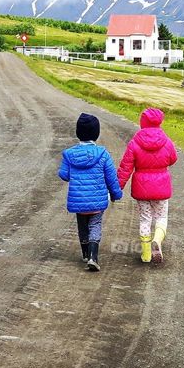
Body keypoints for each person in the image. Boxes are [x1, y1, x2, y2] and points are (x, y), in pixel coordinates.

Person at [59, 113, 122, 272]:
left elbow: (64, 175)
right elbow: (111, 177)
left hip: (78, 200)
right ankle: (94, 256)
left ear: (78, 132)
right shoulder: (102, 154)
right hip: (97, 201)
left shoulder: (69, 154)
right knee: (95, 224)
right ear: (96, 133)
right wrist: (116, 194)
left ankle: (85, 254)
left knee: (82, 226)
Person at [117, 107, 177, 265]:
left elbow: (125, 167)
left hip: (142, 188)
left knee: (145, 219)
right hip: (162, 188)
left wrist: (117, 188)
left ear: (142, 122)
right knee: (161, 217)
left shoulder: (134, 143)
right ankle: (157, 240)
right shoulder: (167, 141)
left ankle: (146, 255)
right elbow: (173, 159)